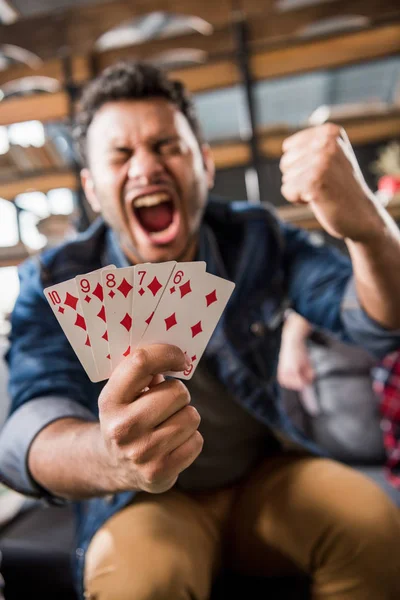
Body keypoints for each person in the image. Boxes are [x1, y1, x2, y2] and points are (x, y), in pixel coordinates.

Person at [1, 61, 400, 600]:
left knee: (375, 525)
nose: (146, 167)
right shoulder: (57, 278)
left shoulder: (256, 237)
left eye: (168, 146)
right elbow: (25, 428)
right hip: (144, 500)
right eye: (122, 154)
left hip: (265, 478)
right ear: (93, 189)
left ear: (205, 165)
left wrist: (370, 229)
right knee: (141, 583)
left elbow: (378, 322)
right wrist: (109, 455)